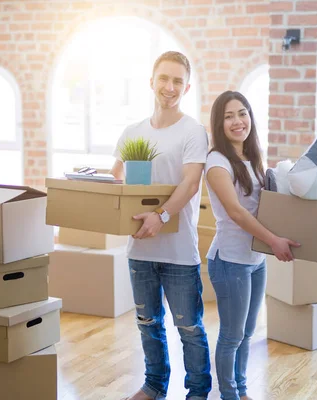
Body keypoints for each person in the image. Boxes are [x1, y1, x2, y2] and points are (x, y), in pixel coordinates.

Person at [110, 51, 212, 400]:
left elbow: (190, 183)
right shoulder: (131, 132)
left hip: (179, 250)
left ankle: (198, 391)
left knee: (189, 327)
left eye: (177, 82)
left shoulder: (193, 131)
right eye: (164, 79)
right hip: (139, 248)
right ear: (151, 81)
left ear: (186, 87)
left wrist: (162, 216)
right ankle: (154, 384)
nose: (169, 87)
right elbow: (117, 178)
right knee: (148, 324)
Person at [204, 90, 300, 400]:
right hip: (230, 260)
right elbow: (236, 212)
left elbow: (265, 206)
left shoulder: (253, 158)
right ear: (219, 123)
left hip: (255, 259)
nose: (237, 121)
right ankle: (229, 395)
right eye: (228, 116)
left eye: (242, 113)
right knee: (232, 336)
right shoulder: (217, 161)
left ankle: (241, 392)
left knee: (246, 334)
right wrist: (274, 241)